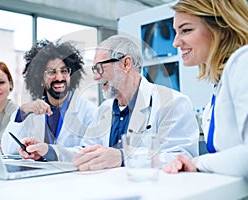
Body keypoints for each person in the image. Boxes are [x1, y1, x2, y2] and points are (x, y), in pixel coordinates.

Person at [72, 35, 200, 171]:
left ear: (126, 64)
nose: (96, 76)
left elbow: (182, 158)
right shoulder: (104, 109)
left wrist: (123, 157)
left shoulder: (173, 103)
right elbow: (87, 151)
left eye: (100, 68)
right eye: (94, 70)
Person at [162, 0, 248, 178]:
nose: (176, 43)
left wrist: (197, 162)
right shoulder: (219, 85)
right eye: (175, 32)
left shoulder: (243, 62)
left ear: (222, 28)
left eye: (186, 30)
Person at [1, 39, 97, 161]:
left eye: (64, 71)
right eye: (51, 72)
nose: (59, 77)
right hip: (38, 177)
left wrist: (49, 151)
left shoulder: (89, 111)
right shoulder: (30, 112)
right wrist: (22, 113)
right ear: (40, 79)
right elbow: (8, 149)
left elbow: (91, 152)